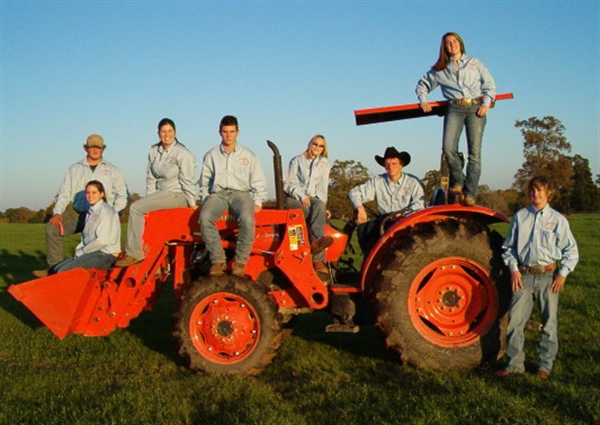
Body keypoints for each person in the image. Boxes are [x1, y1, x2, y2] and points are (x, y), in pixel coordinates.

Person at [495, 176, 579, 379]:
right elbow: (508, 248)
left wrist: (562, 274)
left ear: (547, 193)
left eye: (540, 190)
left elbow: (571, 250)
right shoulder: (520, 217)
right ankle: (515, 364)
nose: (536, 194)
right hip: (524, 275)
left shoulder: (558, 220)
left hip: (549, 276)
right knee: (515, 321)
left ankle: (544, 365)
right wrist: (514, 269)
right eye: (533, 190)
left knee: (549, 322)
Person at [415, 32, 496, 207]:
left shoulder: (474, 63)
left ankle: (470, 192)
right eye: (448, 43)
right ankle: (458, 180)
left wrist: (486, 104)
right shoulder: (440, 69)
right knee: (448, 147)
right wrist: (423, 101)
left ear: (460, 43)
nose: (452, 44)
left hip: (475, 107)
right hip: (455, 108)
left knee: (474, 153)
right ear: (444, 47)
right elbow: (423, 85)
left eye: (454, 41)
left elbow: (489, 84)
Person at [34, 134, 128, 276]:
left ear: (103, 149)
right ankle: (53, 270)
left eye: (98, 147)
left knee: (98, 244)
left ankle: (91, 268)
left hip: (101, 213)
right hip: (77, 213)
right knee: (52, 229)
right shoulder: (75, 168)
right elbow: (65, 193)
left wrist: (111, 213)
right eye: (91, 147)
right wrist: (57, 212)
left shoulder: (113, 170)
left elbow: (123, 195)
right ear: (86, 148)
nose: (95, 150)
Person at [116, 118, 197, 267]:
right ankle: (154, 261)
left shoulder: (182, 153)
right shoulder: (154, 151)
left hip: (177, 194)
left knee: (135, 208)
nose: (167, 135)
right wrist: (149, 200)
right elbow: (151, 178)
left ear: (175, 132)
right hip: (161, 194)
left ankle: (133, 252)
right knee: (144, 211)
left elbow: (188, 180)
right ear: (158, 133)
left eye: (170, 131)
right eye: (163, 131)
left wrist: (192, 204)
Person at [198, 115, 267, 277]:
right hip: (219, 194)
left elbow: (258, 180)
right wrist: (205, 199)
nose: (228, 135)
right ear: (219, 133)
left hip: (241, 194)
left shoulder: (248, 155)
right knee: (204, 217)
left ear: (237, 132)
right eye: (225, 131)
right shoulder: (211, 155)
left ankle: (241, 261)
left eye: (232, 131)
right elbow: (204, 181)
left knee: (247, 219)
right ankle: (218, 259)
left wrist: (258, 201)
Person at [348, 146, 425, 255]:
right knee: (363, 229)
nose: (390, 167)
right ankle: (369, 263)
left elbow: (419, 203)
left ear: (401, 165)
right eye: (387, 164)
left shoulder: (412, 182)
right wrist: (359, 207)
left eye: (394, 164)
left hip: (405, 220)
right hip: (384, 220)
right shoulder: (378, 181)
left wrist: (403, 213)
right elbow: (354, 192)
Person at [47, 181, 121, 274]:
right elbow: (86, 238)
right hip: (93, 252)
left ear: (102, 194)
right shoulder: (90, 212)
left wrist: (81, 252)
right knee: (55, 269)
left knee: (63, 272)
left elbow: (103, 241)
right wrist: (79, 251)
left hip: (106, 254)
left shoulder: (106, 212)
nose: (90, 196)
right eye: (88, 193)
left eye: (94, 192)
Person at [284, 135, 331, 273]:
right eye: (315, 144)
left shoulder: (324, 163)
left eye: (320, 146)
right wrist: (302, 196)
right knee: (303, 214)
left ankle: (317, 258)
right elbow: (289, 184)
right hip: (294, 197)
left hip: (312, 199)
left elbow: (323, 188)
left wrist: (323, 207)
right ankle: (297, 254)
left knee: (319, 208)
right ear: (310, 144)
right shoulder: (297, 160)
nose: (317, 147)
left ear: (323, 149)